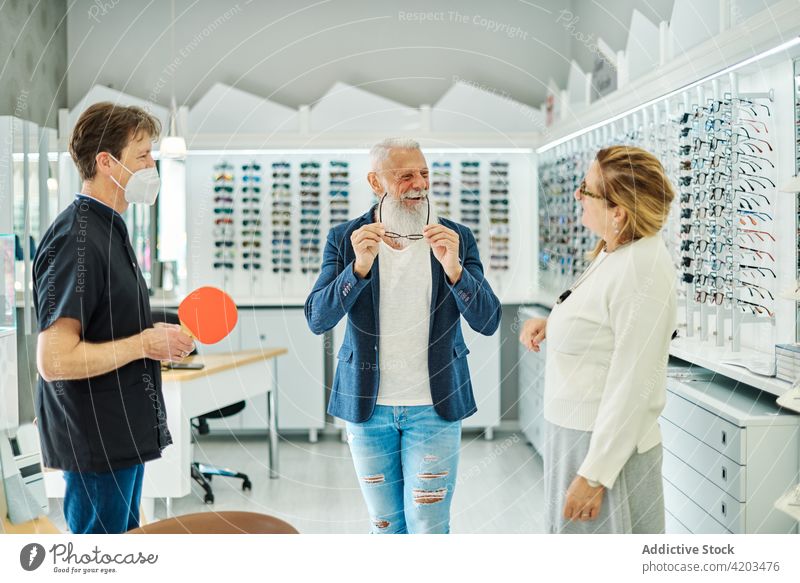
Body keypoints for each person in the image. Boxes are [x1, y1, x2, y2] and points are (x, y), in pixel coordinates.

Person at [305, 138, 501, 533]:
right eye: (406, 175)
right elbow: (317, 318)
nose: (419, 184)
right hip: (368, 408)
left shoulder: (454, 237)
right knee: (386, 526)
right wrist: (357, 270)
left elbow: (489, 320)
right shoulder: (346, 239)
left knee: (428, 526)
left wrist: (456, 272)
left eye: (425, 174)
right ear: (375, 182)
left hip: (435, 406)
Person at [33, 102, 194, 534]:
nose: (151, 165)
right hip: (96, 440)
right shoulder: (76, 240)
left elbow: (108, 319)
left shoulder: (111, 227)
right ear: (106, 161)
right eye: (142, 156)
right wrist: (144, 344)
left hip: (120, 435)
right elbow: (55, 360)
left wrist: (157, 335)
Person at [519, 145, 677, 534]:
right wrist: (555, 323)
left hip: (603, 451)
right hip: (577, 441)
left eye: (586, 189)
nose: (577, 196)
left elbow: (633, 385)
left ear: (618, 211)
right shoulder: (616, 252)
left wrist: (594, 476)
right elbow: (602, 319)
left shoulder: (641, 269)